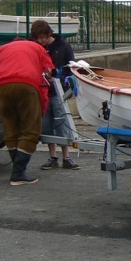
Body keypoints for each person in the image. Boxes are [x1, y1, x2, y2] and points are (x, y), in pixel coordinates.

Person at [0, 35, 54, 186]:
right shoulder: (37, 48)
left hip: (1, 87)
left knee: (11, 130)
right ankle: (18, 173)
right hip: (27, 84)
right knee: (31, 130)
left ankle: (18, 170)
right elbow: (48, 72)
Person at [30, 20, 80, 170]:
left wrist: (59, 74)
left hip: (59, 90)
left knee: (62, 122)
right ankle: (53, 157)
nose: (41, 41)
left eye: (43, 38)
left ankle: (67, 157)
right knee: (46, 124)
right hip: (42, 90)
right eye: (38, 38)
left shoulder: (63, 46)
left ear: (49, 34)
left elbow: (71, 66)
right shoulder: (37, 47)